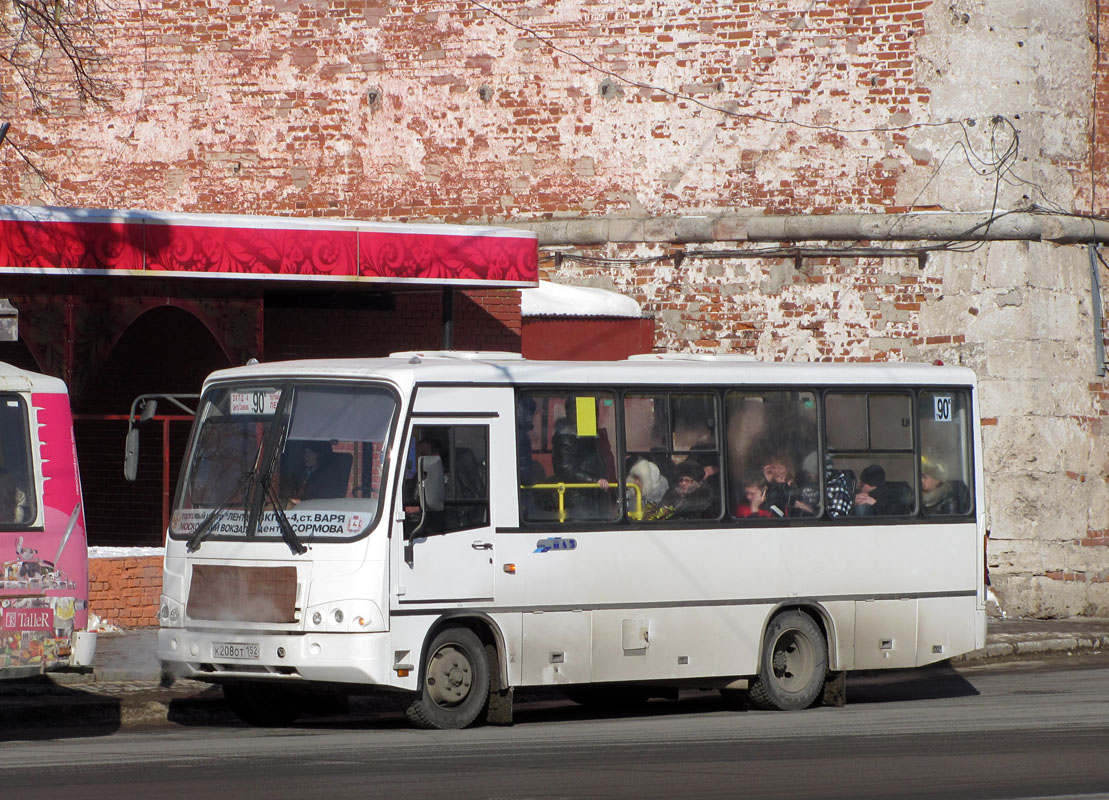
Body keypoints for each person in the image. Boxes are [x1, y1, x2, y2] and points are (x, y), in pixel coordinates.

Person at [552, 397, 611, 520]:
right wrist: (594, 480)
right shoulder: (566, 436)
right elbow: (565, 468)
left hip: (593, 494)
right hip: (579, 498)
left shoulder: (587, 435)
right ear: (573, 412)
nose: (590, 415)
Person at [648, 460, 715, 520]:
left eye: (688, 480)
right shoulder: (672, 494)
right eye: (681, 480)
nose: (683, 483)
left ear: (698, 483)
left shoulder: (704, 499)